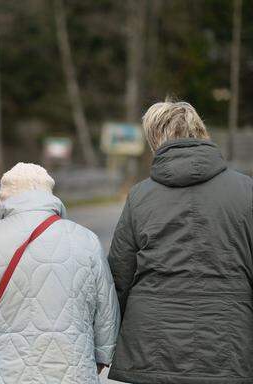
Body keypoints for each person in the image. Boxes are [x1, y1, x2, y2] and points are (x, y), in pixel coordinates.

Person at [107, 101, 253, 384]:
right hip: (229, 339)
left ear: (155, 140)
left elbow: (119, 277)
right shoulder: (246, 191)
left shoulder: (140, 196)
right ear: (201, 132)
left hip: (152, 345)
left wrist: (107, 341)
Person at [0, 163, 120, 384]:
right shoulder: (87, 240)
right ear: (49, 194)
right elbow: (107, 313)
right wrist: (100, 358)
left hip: (1, 375)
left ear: (5, 197)